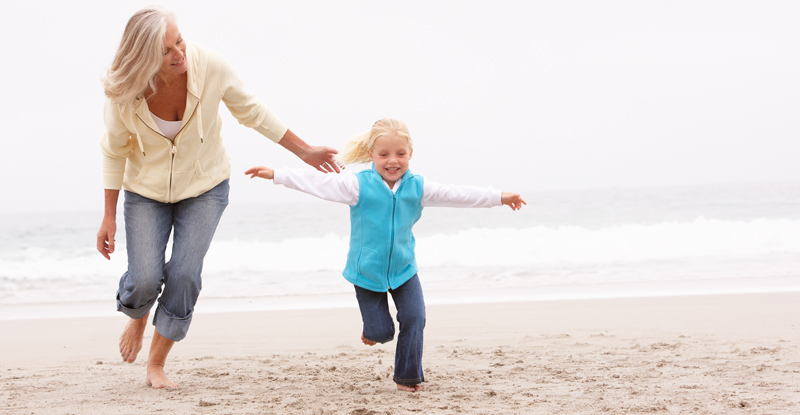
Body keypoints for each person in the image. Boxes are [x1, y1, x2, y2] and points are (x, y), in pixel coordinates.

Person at [95, 6, 341, 389]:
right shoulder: (125, 93)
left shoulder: (210, 66)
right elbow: (113, 151)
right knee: (144, 279)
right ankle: (138, 314)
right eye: (165, 51)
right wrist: (108, 215)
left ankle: (156, 365)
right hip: (145, 192)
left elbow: (252, 112)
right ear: (144, 56)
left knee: (184, 275)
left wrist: (305, 151)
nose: (180, 53)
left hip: (205, 188)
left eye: (179, 40)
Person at [245, 118, 526, 392]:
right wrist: (276, 175)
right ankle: (372, 331)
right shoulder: (356, 185)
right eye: (384, 155)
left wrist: (500, 196)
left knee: (415, 317)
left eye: (400, 154)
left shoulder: (419, 187)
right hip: (366, 272)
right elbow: (317, 182)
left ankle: (407, 377)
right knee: (381, 333)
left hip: (404, 270)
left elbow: (458, 194)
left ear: (410, 154)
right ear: (371, 155)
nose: (393, 161)